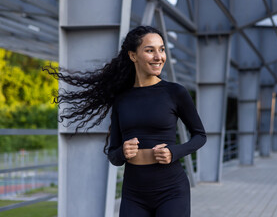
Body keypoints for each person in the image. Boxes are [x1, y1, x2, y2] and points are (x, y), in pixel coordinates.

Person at [43, 25, 206, 217]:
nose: (158, 56)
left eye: (161, 49)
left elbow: (200, 136)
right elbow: (113, 155)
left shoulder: (175, 92)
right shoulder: (121, 99)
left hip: (171, 189)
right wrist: (122, 151)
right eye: (150, 50)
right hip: (134, 193)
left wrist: (174, 151)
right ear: (133, 56)